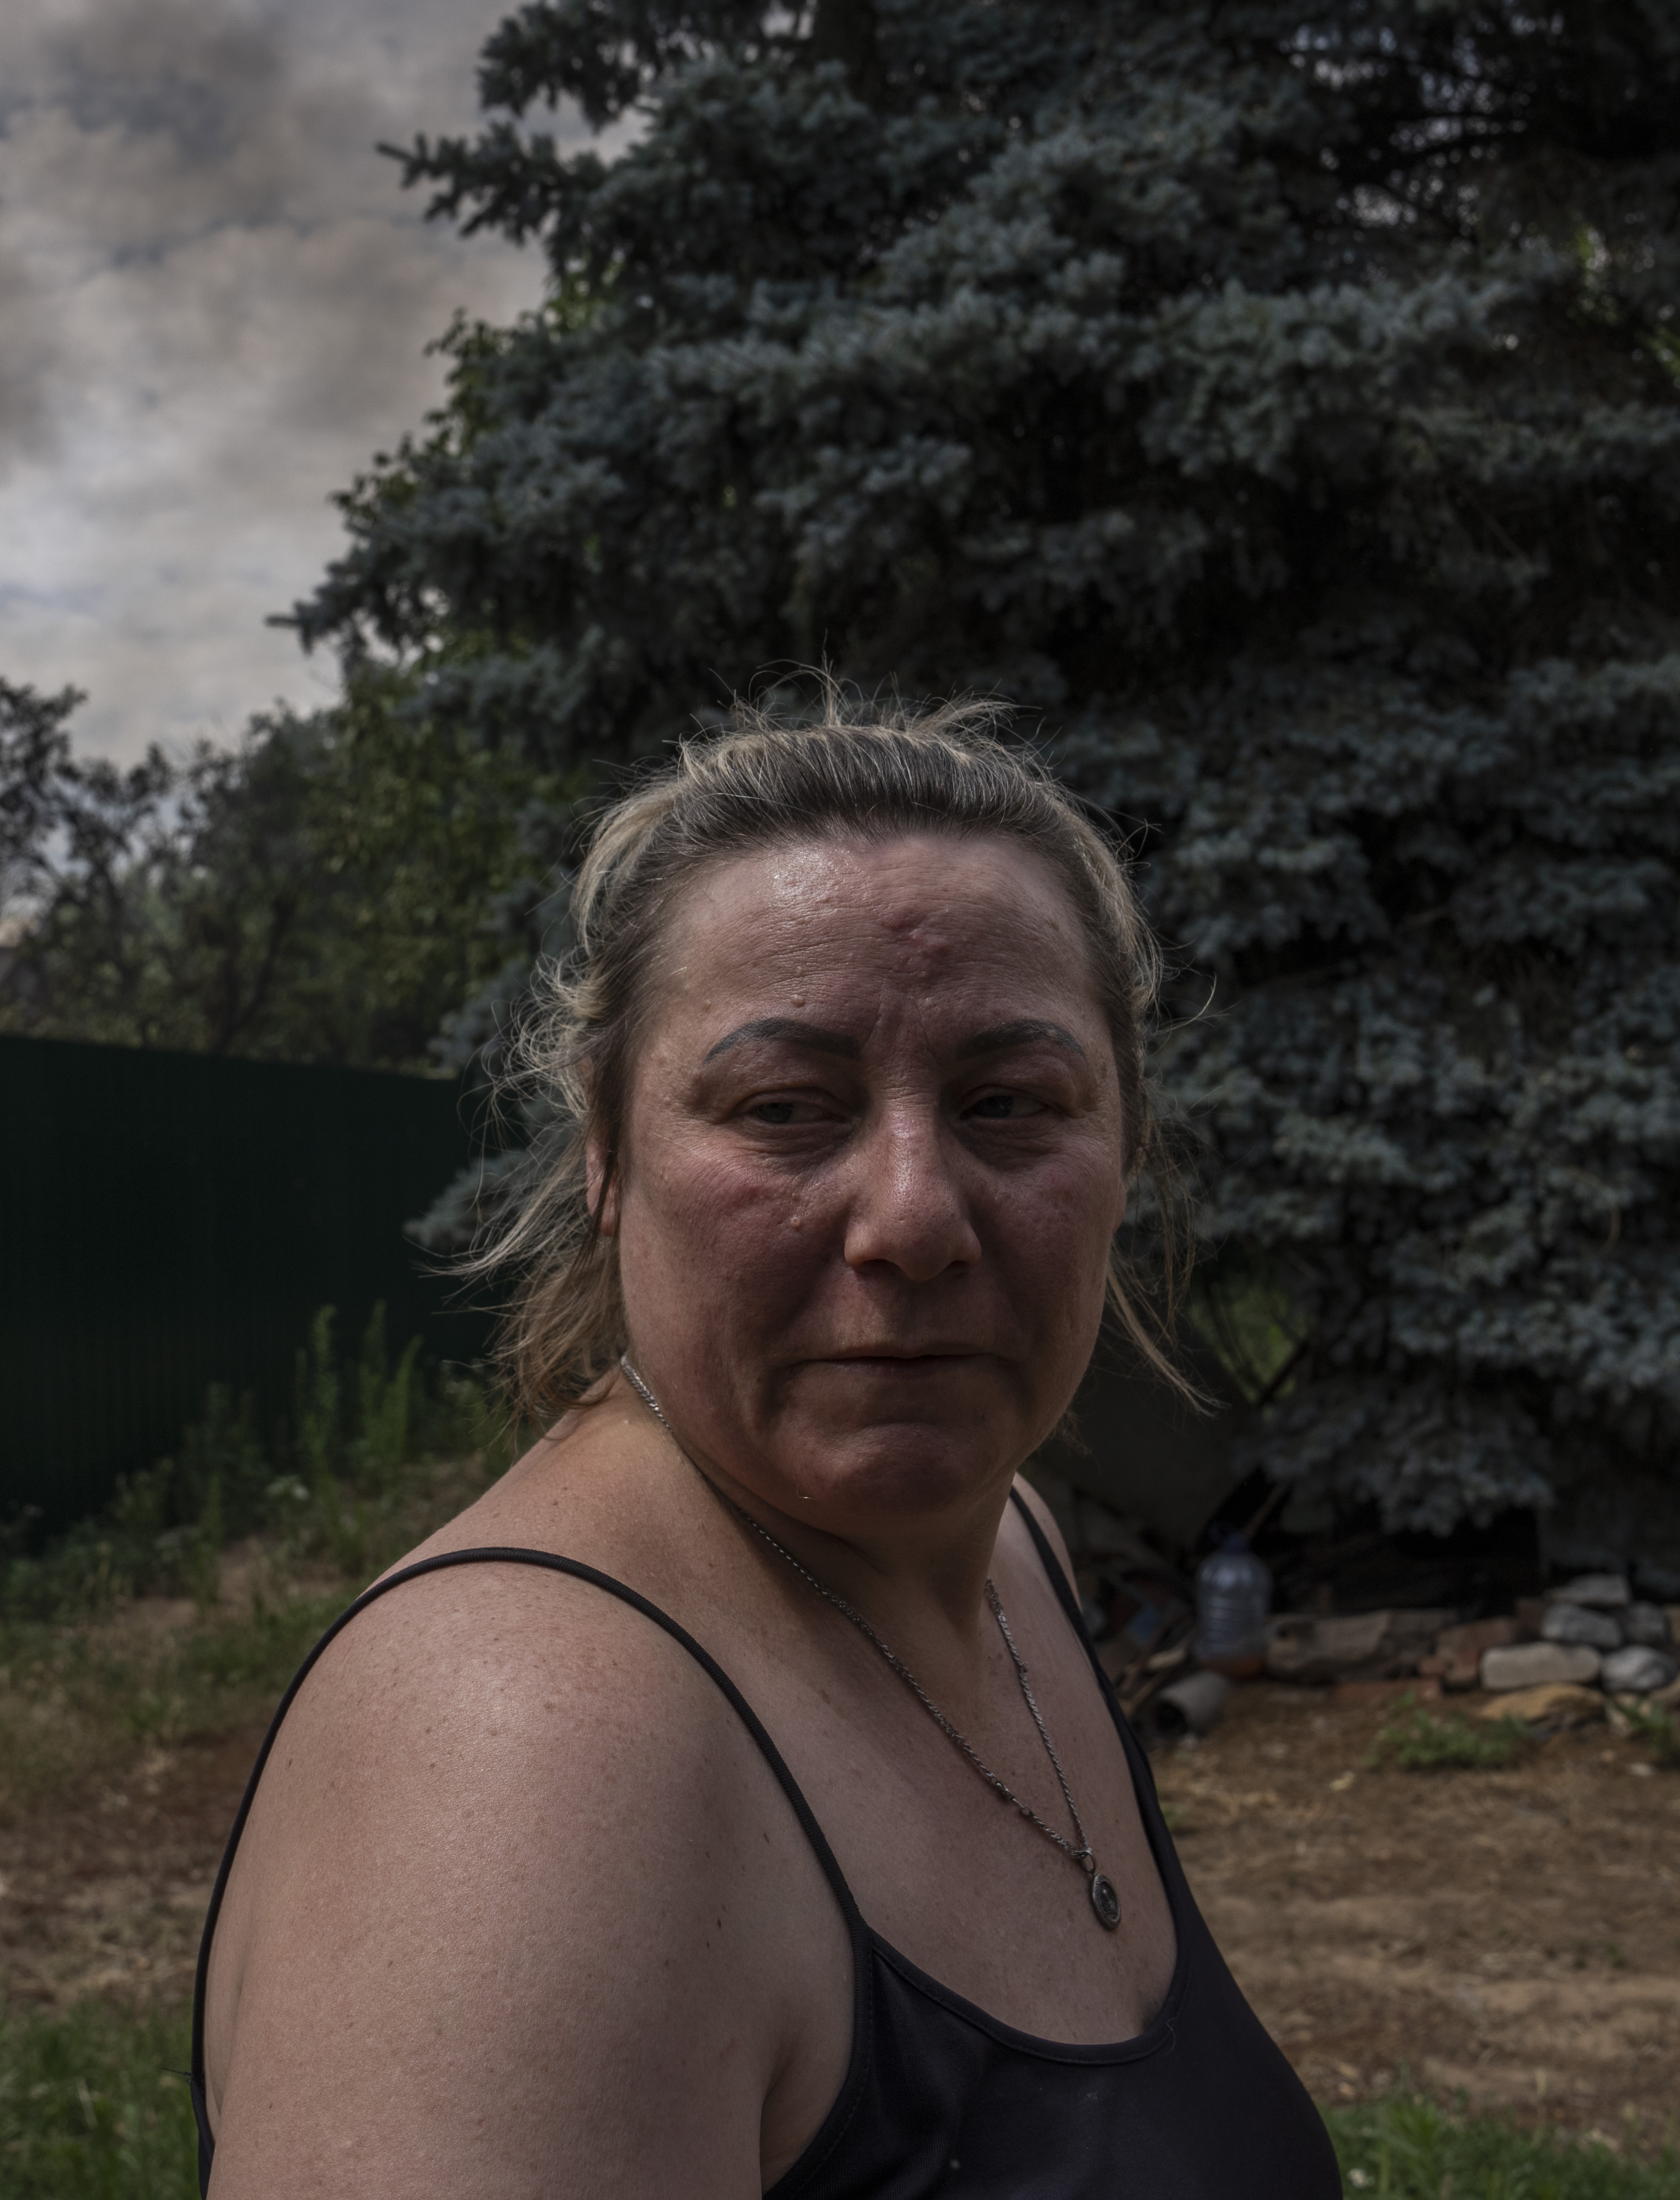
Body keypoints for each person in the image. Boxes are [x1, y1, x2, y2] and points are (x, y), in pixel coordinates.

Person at [190, 702, 1339, 2196]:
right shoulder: (531, 1760)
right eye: (787, 1108)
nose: (915, 1219)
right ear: (607, 1157)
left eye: (1011, 1103)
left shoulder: (1013, 1552)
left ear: (1125, 1144)